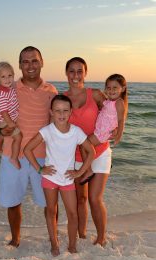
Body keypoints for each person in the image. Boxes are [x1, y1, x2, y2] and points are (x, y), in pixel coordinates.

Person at [0, 46, 57, 247]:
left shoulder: (51, 91)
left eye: (34, 60)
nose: (30, 65)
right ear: (19, 65)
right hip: (13, 154)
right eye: (25, 61)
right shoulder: (9, 88)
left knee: (49, 202)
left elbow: (58, 122)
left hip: (43, 156)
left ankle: (53, 238)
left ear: (42, 62)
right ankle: (16, 239)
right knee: (12, 201)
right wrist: (1, 132)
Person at [65, 57, 128, 246]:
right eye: (72, 71)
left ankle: (101, 238)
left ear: (85, 73)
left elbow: (115, 109)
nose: (76, 75)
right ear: (66, 73)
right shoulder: (61, 98)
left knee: (94, 198)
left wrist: (118, 129)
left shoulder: (96, 94)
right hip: (75, 155)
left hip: (99, 151)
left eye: (79, 71)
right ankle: (82, 234)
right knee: (80, 198)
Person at [24, 94, 95, 256]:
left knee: (73, 213)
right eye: (57, 111)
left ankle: (72, 245)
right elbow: (27, 149)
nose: (61, 114)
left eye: (65, 111)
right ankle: (54, 244)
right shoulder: (46, 131)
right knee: (51, 211)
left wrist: (80, 172)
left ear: (71, 112)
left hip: (68, 180)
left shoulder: (76, 132)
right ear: (51, 112)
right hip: (49, 178)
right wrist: (40, 169)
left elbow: (91, 151)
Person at [80, 73, 128, 184]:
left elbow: (121, 120)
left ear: (123, 89)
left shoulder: (119, 102)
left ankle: (88, 170)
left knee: (84, 146)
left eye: (115, 88)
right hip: (100, 131)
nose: (111, 90)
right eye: (108, 88)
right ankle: (94, 166)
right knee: (85, 146)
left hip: (103, 133)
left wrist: (119, 135)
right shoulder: (108, 101)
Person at [0, 61, 22, 169]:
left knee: (3, 134)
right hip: (2, 119)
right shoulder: (1, 93)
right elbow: (3, 111)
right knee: (18, 137)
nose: (7, 79)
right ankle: (13, 157)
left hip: (4, 119)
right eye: (3, 77)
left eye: (10, 76)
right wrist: (10, 123)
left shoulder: (8, 88)